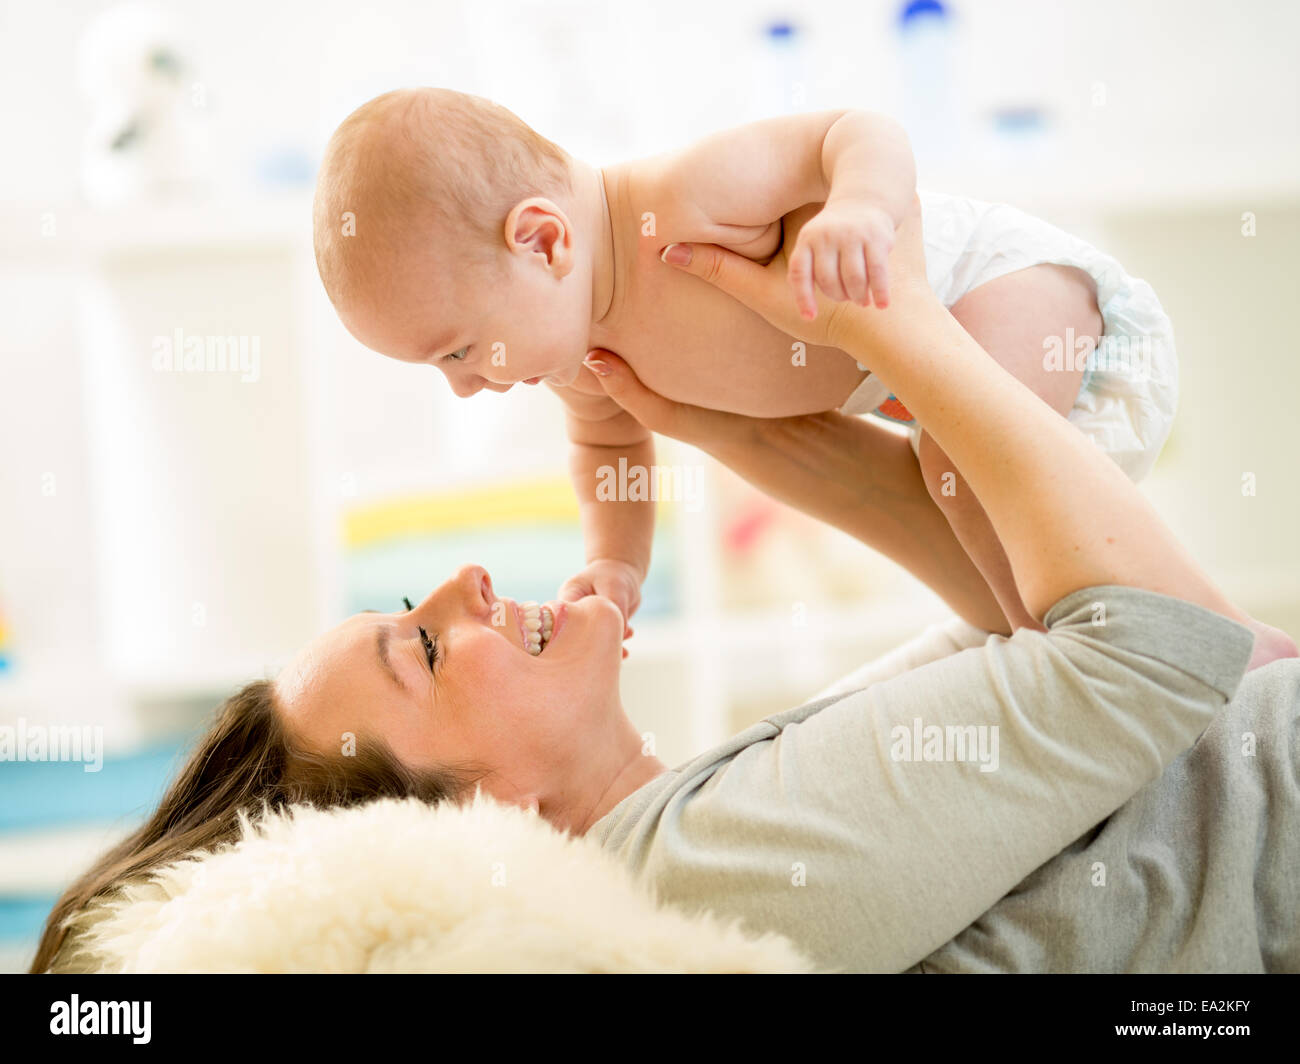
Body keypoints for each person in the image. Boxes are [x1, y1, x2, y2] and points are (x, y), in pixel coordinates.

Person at [34, 202, 1292, 975]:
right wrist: (891, 319)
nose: (462, 579)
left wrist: (712, 420)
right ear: (480, 811)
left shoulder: (684, 831)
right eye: (421, 647)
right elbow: (1149, 647)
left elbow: (1016, 620)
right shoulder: (701, 875)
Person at [311, 87, 1294, 663]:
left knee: (967, 475)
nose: (464, 386)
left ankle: (1085, 649)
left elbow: (854, 131)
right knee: (971, 509)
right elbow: (607, 450)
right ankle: (1142, 643)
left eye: (456, 349)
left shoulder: (683, 197)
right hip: (948, 396)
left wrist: (860, 212)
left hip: (1021, 292)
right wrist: (617, 563)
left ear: (542, 240)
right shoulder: (582, 360)